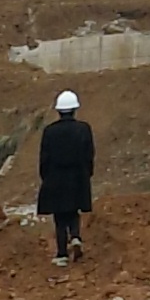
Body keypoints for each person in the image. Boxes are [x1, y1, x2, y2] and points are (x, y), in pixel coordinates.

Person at [36, 88, 95, 265]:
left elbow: (44, 158)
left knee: (60, 217)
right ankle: (76, 236)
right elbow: (89, 154)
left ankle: (61, 254)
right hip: (78, 176)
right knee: (74, 210)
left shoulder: (50, 131)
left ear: (58, 110)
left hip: (55, 177)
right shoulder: (84, 129)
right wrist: (87, 174)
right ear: (75, 109)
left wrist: (46, 178)